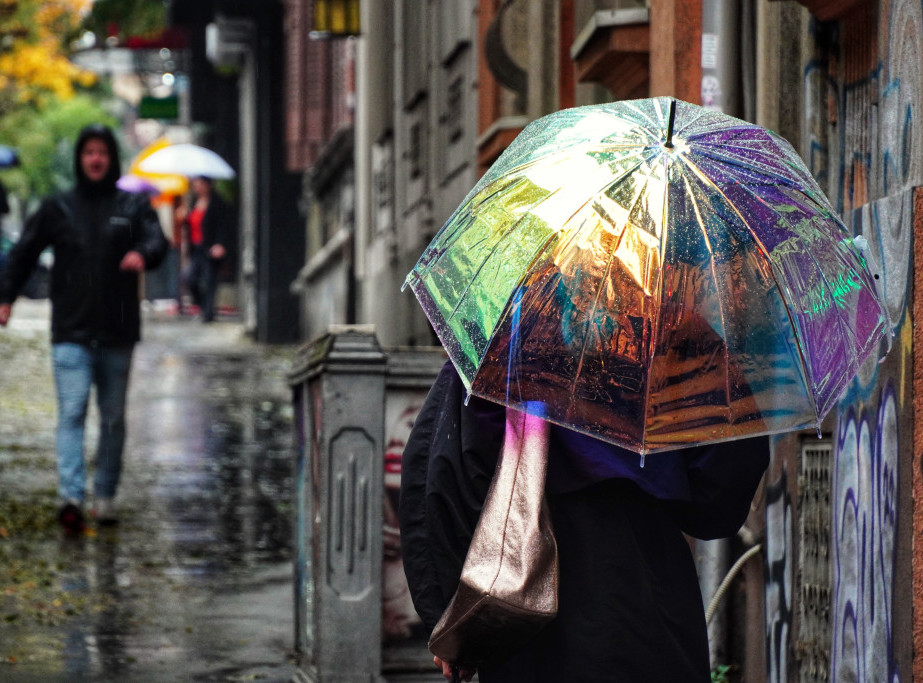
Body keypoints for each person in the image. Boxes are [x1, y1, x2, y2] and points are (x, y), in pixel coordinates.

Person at [399, 360, 770, 682]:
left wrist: (453, 621)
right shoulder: (678, 337)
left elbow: (439, 476)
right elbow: (720, 495)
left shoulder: (508, 336)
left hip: (521, 598)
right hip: (647, 591)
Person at [0, 124, 168, 534]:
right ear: (80, 158)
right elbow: (23, 254)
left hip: (118, 331)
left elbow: (157, 240)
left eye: (102, 152)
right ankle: (71, 497)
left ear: (111, 158)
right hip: (71, 331)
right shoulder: (58, 207)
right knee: (72, 413)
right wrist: (6, 298)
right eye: (89, 152)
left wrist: (143, 254)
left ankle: (105, 495)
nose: (95, 159)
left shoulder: (132, 206)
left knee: (112, 419)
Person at [176, 176, 228, 322]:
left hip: (210, 247)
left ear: (207, 185)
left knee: (210, 280)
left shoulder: (217, 203)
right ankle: (204, 306)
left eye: (199, 184)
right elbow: (191, 224)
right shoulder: (193, 202)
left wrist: (220, 244)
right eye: (195, 185)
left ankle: (208, 313)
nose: (196, 187)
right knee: (189, 278)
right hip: (195, 248)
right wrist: (183, 218)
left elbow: (223, 225)